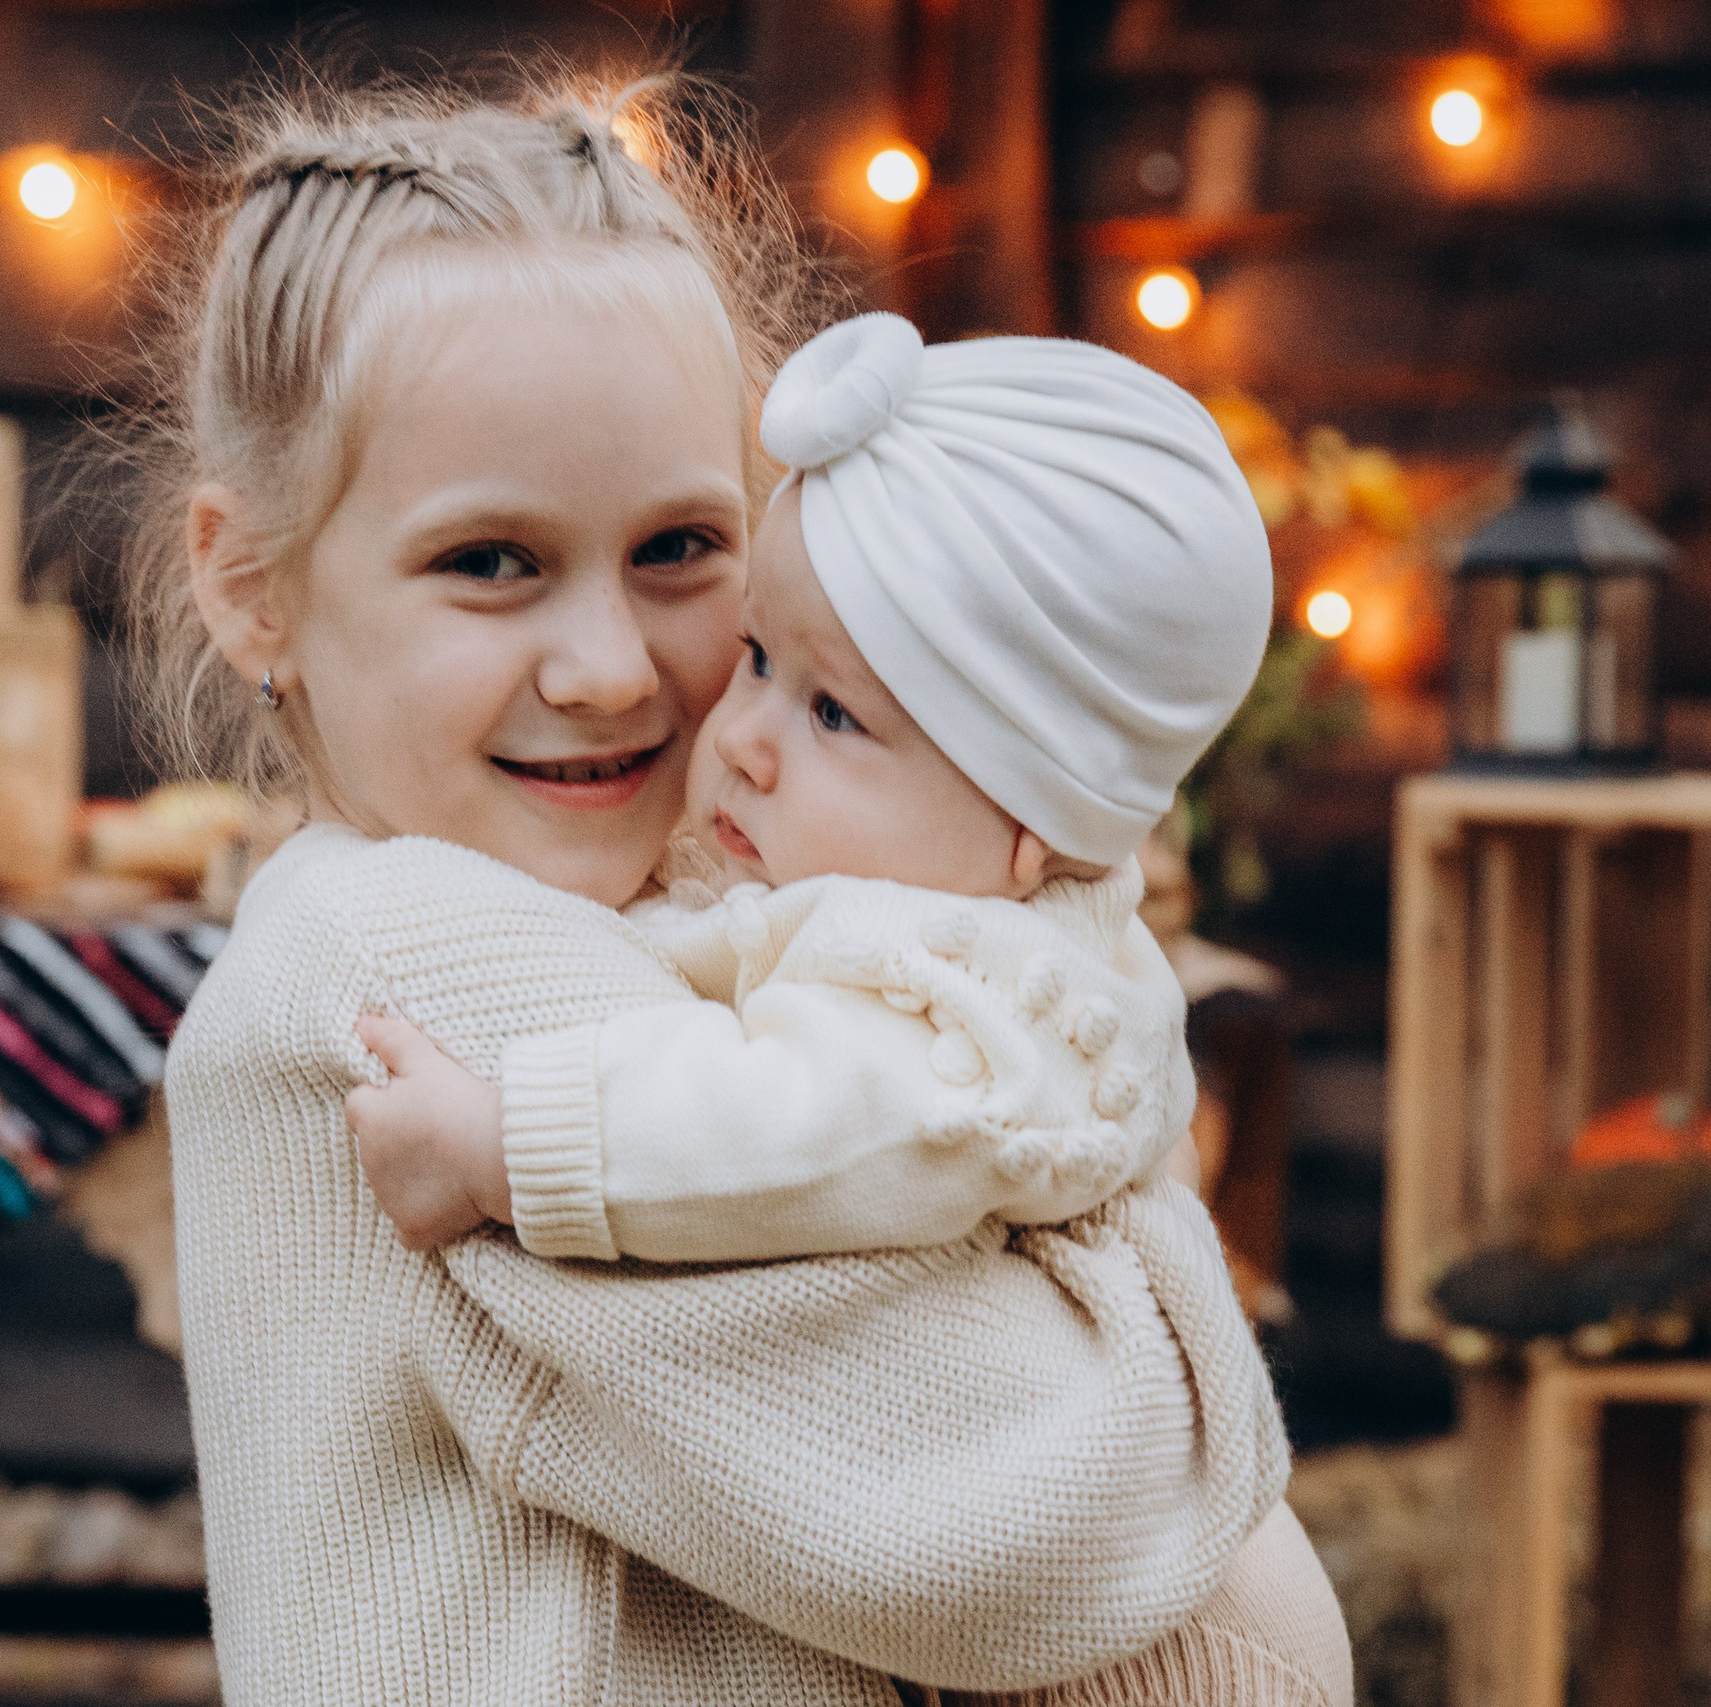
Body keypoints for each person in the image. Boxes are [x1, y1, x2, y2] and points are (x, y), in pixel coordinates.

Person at [136, 75, 1292, 1704]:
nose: (613, 671)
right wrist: (1143, 1232)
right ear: (255, 591)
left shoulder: (651, 930)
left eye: (682, 549)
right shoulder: (422, 980)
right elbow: (1062, 1523)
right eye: (490, 562)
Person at [346, 312, 1353, 1706]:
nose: (744, 739)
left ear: (1028, 824)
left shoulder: (980, 1002)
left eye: (837, 717)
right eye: (760, 656)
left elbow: (799, 1128)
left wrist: (509, 1146)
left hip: (1181, 1667)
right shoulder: (919, 888)